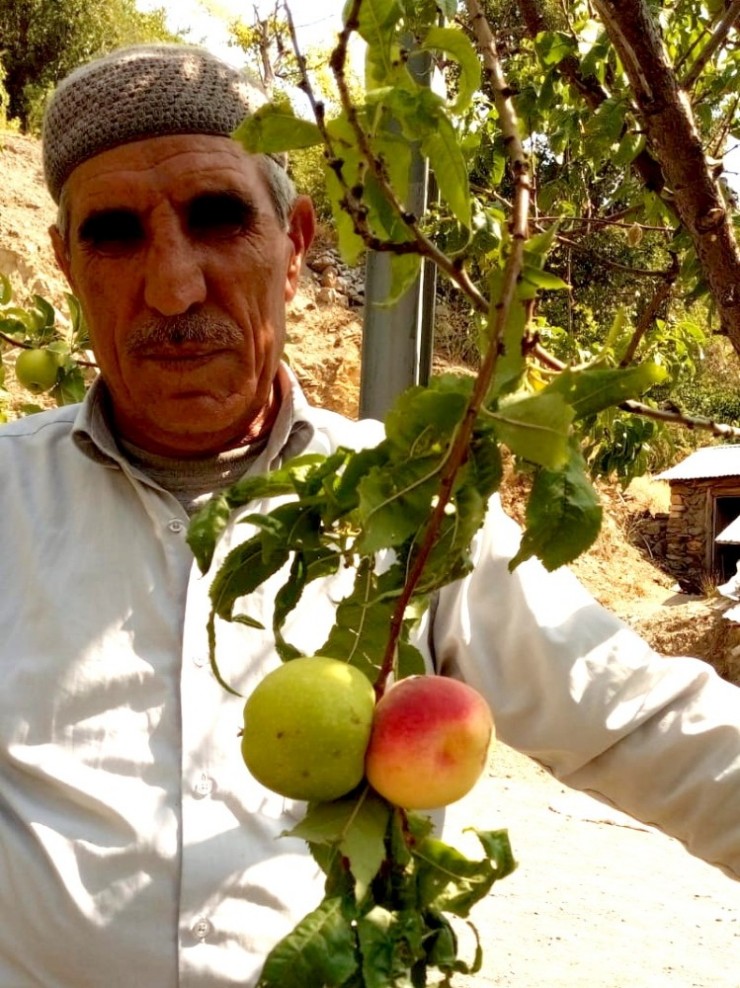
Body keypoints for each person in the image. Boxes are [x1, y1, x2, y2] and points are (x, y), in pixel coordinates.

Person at [0, 42, 738, 987]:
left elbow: (637, 722)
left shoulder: (411, 512)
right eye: (115, 233)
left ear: (297, 243)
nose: (174, 287)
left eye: (219, 218)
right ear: (64, 262)